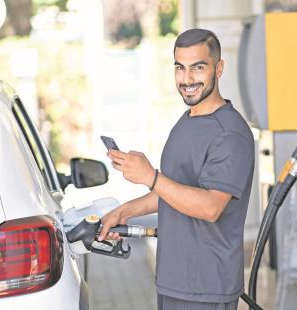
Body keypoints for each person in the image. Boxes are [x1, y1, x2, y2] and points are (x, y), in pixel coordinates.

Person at [98, 28, 255, 310]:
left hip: (207, 286)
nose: (187, 79)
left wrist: (150, 177)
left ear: (219, 69)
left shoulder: (230, 134)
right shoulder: (187, 120)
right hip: (174, 280)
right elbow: (174, 193)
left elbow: (210, 207)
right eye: (180, 68)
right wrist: (121, 213)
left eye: (198, 68)